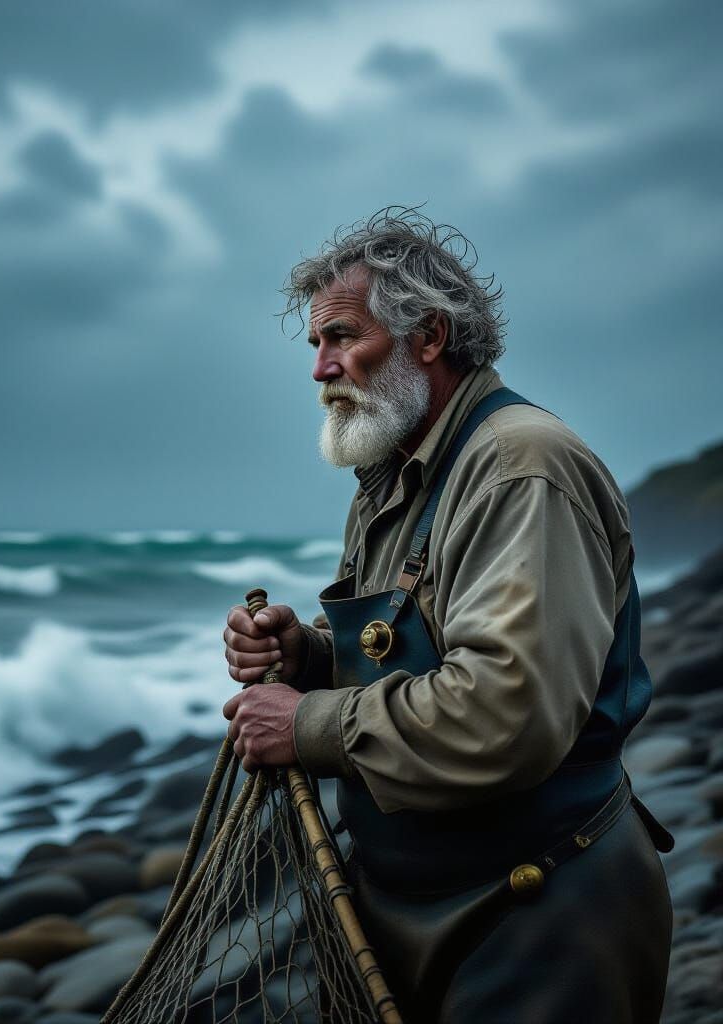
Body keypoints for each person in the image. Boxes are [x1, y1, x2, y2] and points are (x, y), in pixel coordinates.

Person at [221, 208, 674, 1023]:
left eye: (342, 339)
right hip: (420, 904)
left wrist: (308, 725)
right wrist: (312, 658)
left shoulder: (518, 465)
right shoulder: (397, 469)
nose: (321, 369)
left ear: (428, 337)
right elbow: (419, 649)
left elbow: (508, 709)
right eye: (315, 347)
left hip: (539, 908)